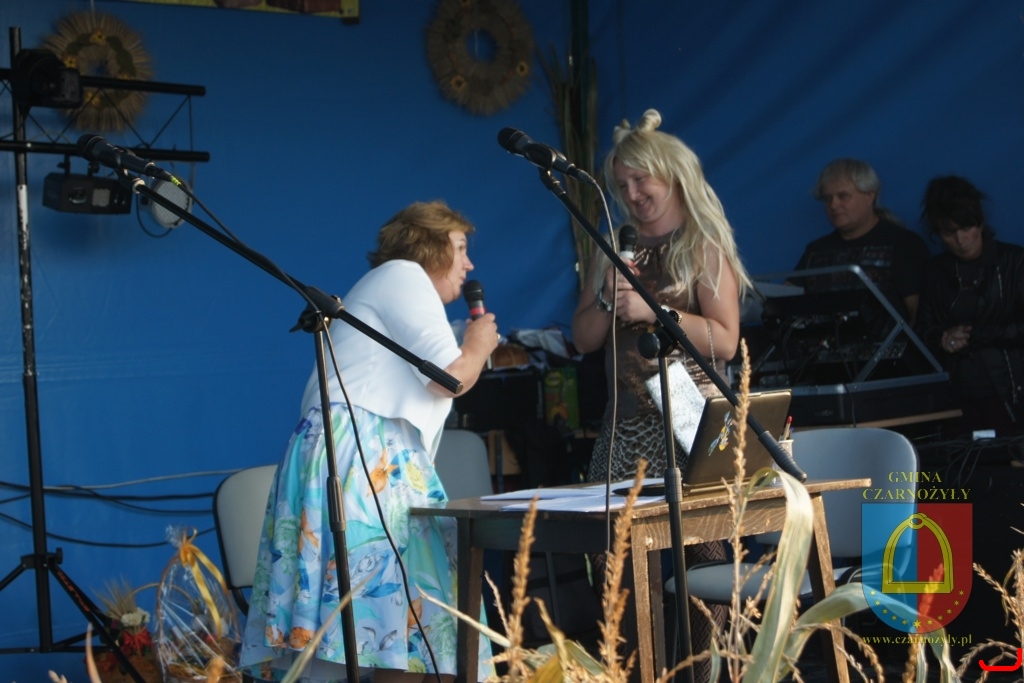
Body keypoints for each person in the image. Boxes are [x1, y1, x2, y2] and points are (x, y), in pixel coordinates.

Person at [239, 201, 500, 682]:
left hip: (364, 450)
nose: (469, 264)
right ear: (430, 246)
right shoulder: (405, 275)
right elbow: (449, 377)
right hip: (364, 453)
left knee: (404, 627)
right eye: (461, 248)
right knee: (402, 623)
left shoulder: (390, 286)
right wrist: (479, 345)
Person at [571, 108, 751, 681]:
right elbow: (583, 339)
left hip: (689, 421)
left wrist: (658, 311)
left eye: (640, 180)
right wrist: (607, 296)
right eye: (622, 184)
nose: (632, 194)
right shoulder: (611, 247)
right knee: (614, 561)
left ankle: (711, 673)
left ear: (671, 175)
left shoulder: (702, 245)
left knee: (703, 561)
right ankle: (632, 671)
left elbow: (726, 340)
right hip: (624, 425)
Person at [915, 176, 1024, 467]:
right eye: (949, 232)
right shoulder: (936, 271)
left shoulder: (1014, 261)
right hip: (957, 396)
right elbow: (919, 332)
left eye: (966, 228)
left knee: (1009, 471)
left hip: (1010, 392)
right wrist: (942, 337)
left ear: (979, 223)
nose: (961, 240)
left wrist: (978, 336)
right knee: (962, 472)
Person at [794, 158, 929, 324]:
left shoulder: (904, 244)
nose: (834, 205)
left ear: (869, 196)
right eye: (828, 198)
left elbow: (919, 314)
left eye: (843, 196)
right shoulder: (815, 251)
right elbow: (784, 300)